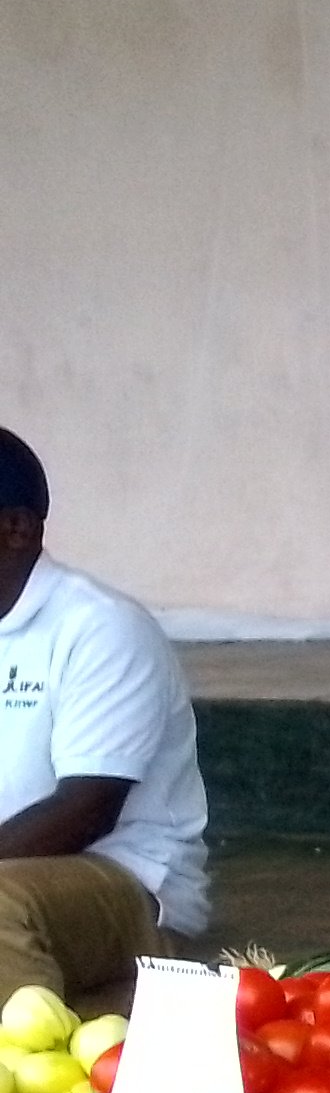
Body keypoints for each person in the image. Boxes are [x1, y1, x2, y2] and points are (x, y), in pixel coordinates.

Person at [0, 431, 207, 1014]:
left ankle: (33, 1080)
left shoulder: (100, 628)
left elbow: (87, 808)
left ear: (17, 529)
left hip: (125, 881)